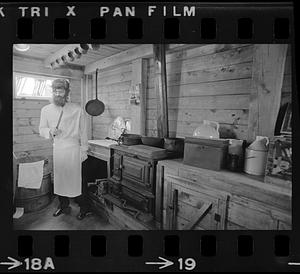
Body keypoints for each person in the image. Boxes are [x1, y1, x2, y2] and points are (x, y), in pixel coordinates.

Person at [39, 78, 92, 220]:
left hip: (74, 149)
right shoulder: (46, 110)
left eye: (61, 89)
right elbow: (41, 129)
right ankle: (63, 206)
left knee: (77, 180)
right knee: (61, 179)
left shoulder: (77, 109)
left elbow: (83, 132)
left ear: (66, 92)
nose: (57, 92)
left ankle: (85, 208)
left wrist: (84, 149)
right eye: (55, 89)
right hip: (58, 149)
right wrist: (50, 131)